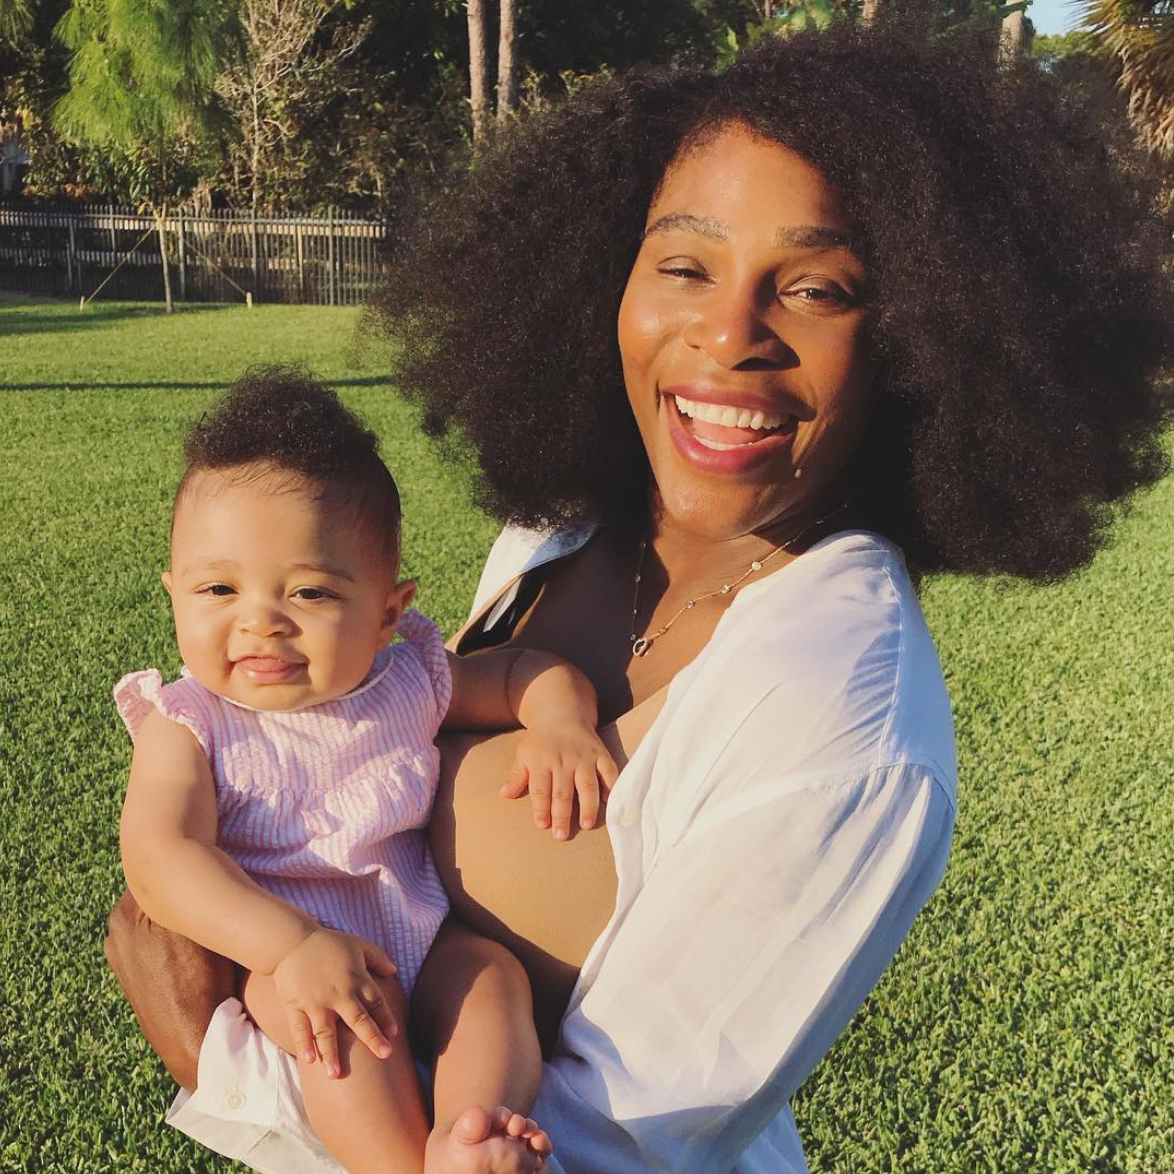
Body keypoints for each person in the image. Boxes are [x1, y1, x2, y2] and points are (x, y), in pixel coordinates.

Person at [104, 20, 1171, 1174]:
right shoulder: (568, 525)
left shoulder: (848, 731)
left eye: (816, 287)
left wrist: (209, 1050)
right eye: (683, 263)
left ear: (924, 338)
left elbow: (616, 1151)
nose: (726, 334)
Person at [113, 370, 622, 1174]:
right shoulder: (189, 723)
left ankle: (470, 1134)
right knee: (347, 1030)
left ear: (389, 610)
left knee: (492, 980)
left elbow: (524, 669)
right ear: (174, 592)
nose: (260, 620)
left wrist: (559, 717)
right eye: (218, 588)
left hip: (424, 933)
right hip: (292, 957)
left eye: (309, 591)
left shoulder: (406, 680)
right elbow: (159, 858)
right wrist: (293, 944)